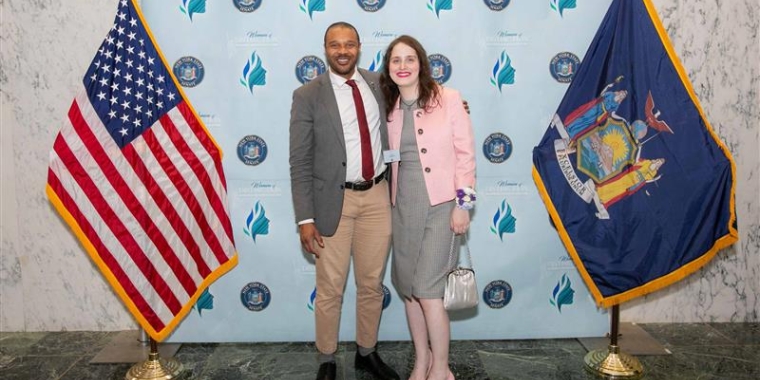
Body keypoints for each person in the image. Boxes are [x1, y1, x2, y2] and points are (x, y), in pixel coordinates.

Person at [289, 22, 400, 380]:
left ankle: (366, 353)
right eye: (335, 45)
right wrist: (305, 218)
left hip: (377, 197)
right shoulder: (308, 95)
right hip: (331, 203)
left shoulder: (378, 84)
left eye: (349, 44)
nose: (342, 51)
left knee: (371, 283)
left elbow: (417, 101)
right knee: (330, 288)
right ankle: (327, 359)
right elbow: (300, 160)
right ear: (325, 49)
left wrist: (452, 104)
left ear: (359, 47)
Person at [379, 35, 476, 380]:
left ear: (421, 63)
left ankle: (441, 367)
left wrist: (463, 206)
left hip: (442, 209)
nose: (402, 66)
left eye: (409, 59)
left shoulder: (448, 99)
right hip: (402, 210)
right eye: (395, 60)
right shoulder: (387, 107)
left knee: (429, 292)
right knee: (409, 292)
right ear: (388, 69)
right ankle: (421, 361)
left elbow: (466, 158)